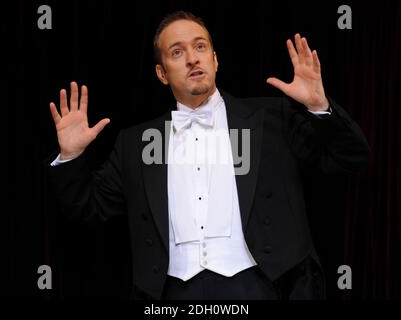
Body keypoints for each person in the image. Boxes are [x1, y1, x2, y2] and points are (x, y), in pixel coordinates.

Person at [46, 11, 370, 300]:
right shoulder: (137, 143)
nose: (192, 58)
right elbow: (87, 208)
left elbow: (351, 158)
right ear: (161, 73)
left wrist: (319, 107)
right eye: (177, 52)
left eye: (200, 47)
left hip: (263, 286)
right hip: (172, 294)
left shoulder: (271, 119)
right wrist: (71, 158)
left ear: (215, 59)